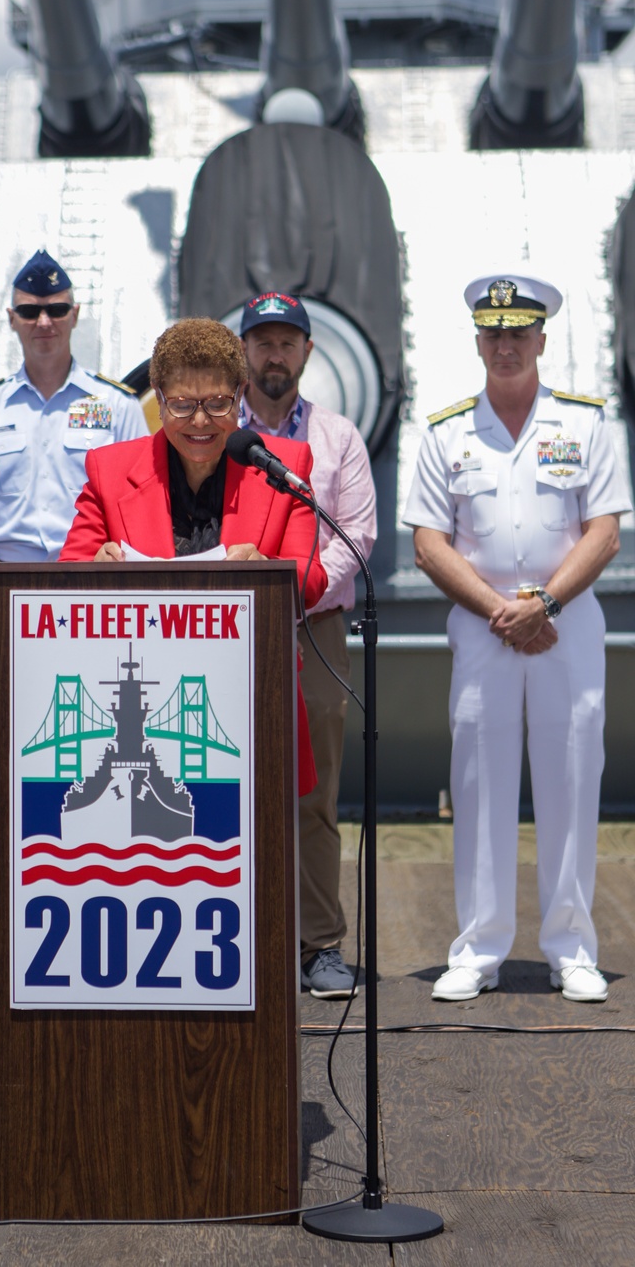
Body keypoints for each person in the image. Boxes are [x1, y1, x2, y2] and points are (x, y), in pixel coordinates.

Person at [403, 275, 628, 1003]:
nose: (505, 345)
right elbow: (430, 544)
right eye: (493, 333)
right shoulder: (446, 431)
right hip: (482, 626)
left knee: (571, 777)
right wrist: (502, 609)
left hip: (567, 622)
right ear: (477, 341)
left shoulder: (588, 424)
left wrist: (546, 602)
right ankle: (478, 945)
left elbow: (605, 530)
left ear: (540, 339)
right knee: (479, 784)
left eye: (518, 332)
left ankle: (571, 948)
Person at [59, 317, 328, 794]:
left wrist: (270, 573)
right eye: (182, 405)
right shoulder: (109, 468)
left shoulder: (287, 465)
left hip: (253, 699)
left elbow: (311, 576)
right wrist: (93, 571)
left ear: (241, 394)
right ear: (158, 398)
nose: (201, 422)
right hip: (138, 712)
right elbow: (64, 580)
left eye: (218, 404)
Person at [239, 291, 377, 999]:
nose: (274, 354)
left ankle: (319, 943)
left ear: (307, 353)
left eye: (286, 342)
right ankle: (235, 939)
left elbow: (354, 539)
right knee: (222, 789)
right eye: (262, 341)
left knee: (314, 795)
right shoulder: (211, 431)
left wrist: (291, 597)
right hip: (223, 636)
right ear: (243, 351)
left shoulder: (338, 438)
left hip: (311, 630)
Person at [0, 249, 147, 567]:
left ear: (75, 314)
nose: (44, 322)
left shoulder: (118, 407)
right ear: (11, 318)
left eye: (56, 309)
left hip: (91, 582)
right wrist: (0, 587)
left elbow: (142, 507)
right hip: (4, 580)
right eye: (29, 311)